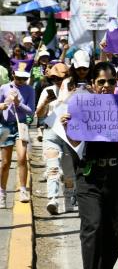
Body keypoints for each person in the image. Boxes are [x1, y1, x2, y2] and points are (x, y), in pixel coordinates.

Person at [68, 62, 118, 269]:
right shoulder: (82, 107)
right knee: (92, 223)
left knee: (113, 228)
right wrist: (69, 127)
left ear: (117, 84)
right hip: (90, 175)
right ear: (93, 85)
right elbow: (74, 142)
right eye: (101, 82)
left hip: (117, 174)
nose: (106, 86)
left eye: (112, 82)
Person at [35, 62, 75, 215]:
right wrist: (46, 102)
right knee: (53, 169)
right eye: (54, 78)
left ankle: (69, 200)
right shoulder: (48, 91)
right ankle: (53, 199)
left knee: (68, 172)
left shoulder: (75, 91)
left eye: (61, 78)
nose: (58, 81)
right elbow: (38, 114)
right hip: (51, 133)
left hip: (70, 136)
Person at [0, 68, 36, 207]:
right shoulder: (4, 88)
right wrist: (2, 105)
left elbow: (31, 111)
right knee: (5, 162)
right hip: (5, 126)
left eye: (24, 79)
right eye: (18, 78)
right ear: (13, 74)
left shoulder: (30, 90)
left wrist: (17, 103)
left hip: (21, 125)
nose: (21, 81)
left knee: (22, 158)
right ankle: (2, 192)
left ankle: (22, 190)